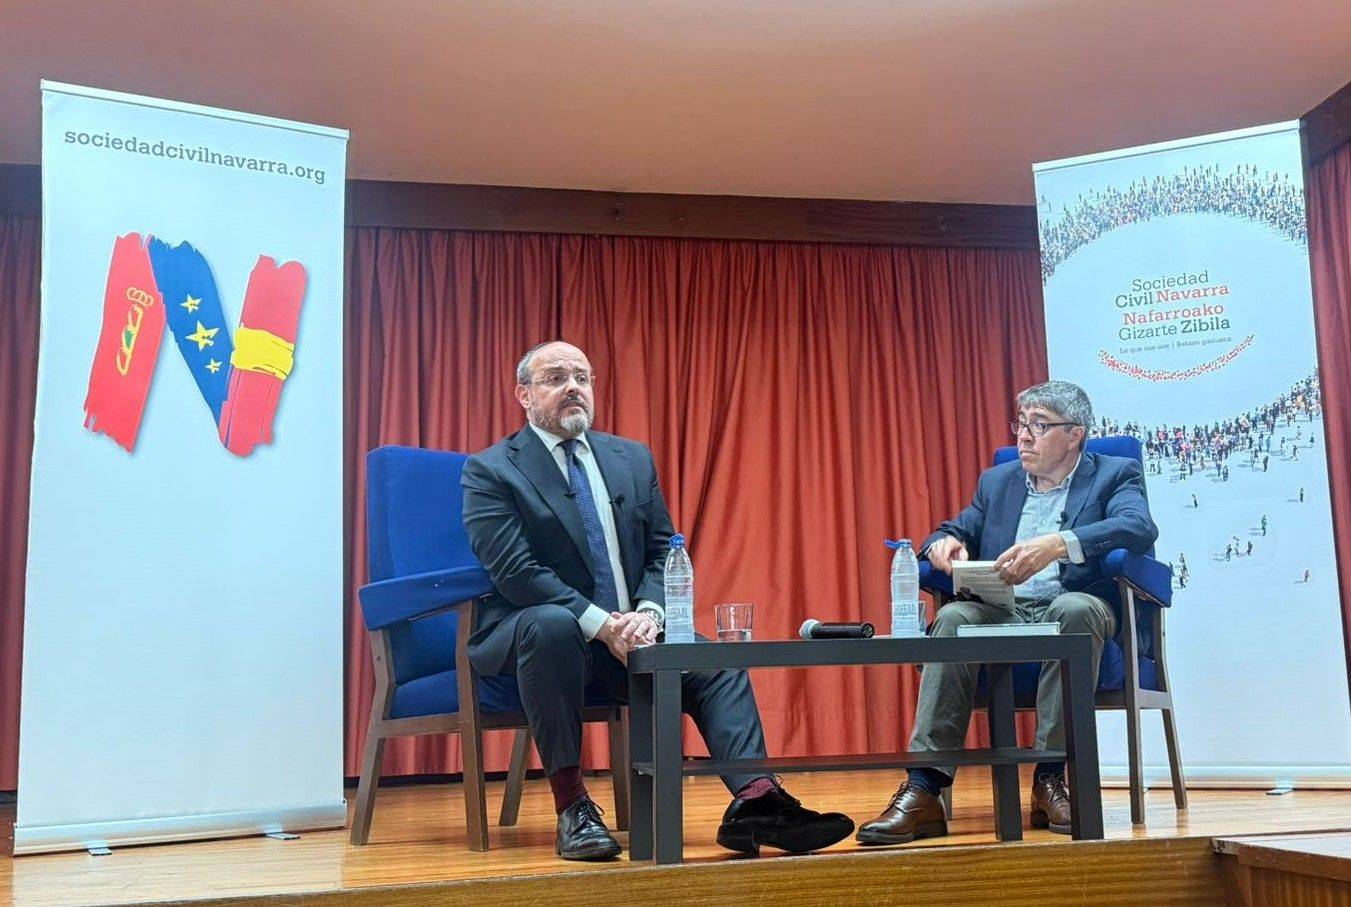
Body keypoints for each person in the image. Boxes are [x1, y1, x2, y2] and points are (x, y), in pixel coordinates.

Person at [461, 341, 853, 861]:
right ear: (524, 395)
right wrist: (605, 625)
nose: (574, 387)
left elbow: (664, 552)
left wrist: (648, 615)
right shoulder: (491, 471)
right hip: (531, 642)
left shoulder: (630, 458)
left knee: (710, 659)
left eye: (583, 377)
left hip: (627, 639)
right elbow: (516, 573)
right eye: (556, 378)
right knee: (554, 624)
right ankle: (573, 807)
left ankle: (758, 802)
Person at [857, 380, 1157, 844]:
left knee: (1073, 609)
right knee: (954, 619)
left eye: (1039, 425)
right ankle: (924, 789)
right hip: (1005, 609)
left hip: (1075, 604)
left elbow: (1137, 527)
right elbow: (951, 529)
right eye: (1021, 424)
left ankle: (1051, 778)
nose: (1023, 437)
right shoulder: (998, 482)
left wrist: (1059, 544)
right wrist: (944, 545)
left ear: (1074, 434)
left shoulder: (1113, 474)